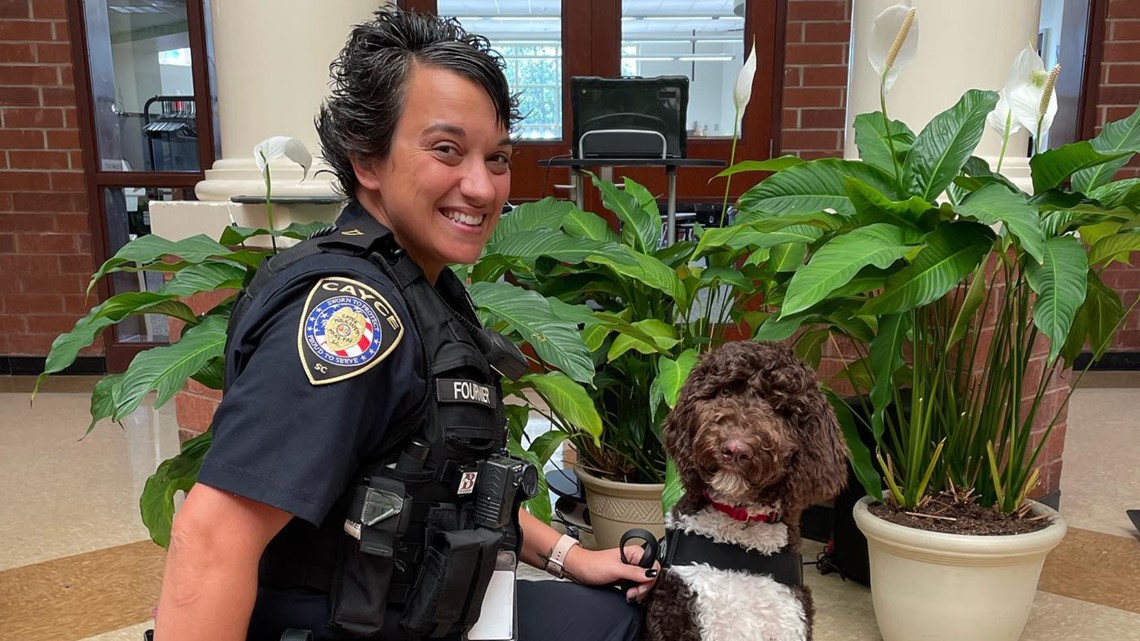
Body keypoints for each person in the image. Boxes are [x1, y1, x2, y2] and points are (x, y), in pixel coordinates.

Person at [152, 8, 655, 641]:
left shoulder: (419, 286)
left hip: (427, 604)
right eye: (447, 150)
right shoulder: (353, 315)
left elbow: (444, 484)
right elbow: (211, 536)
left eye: (496, 158)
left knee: (624, 611)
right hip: (349, 622)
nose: (482, 187)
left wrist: (575, 559)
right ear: (368, 160)